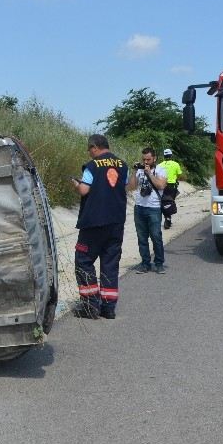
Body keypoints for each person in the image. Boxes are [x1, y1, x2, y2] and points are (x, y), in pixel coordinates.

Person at [70, 134, 128, 319]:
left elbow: (84, 189)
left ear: (94, 147)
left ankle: (90, 306)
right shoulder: (122, 165)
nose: (89, 153)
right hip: (116, 221)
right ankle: (108, 308)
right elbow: (125, 187)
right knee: (110, 263)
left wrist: (76, 184)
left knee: (83, 260)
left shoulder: (92, 166)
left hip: (94, 222)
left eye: (89, 149)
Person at [127, 146, 168, 274]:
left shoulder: (161, 170)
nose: (146, 162)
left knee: (156, 236)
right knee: (142, 237)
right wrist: (134, 171)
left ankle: (159, 263)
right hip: (139, 207)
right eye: (144, 159)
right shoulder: (139, 170)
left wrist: (149, 173)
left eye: (148, 159)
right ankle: (145, 263)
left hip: (154, 208)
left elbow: (161, 185)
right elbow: (131, 187)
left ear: (154, 158)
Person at [158, 148, 187, 229]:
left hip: (162, 186)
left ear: (164, 156)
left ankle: (167, 218)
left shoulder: (160, 165)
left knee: (163, 202)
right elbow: (180, 175)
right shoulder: (175, 164)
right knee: (169, 202)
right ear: (171, 155)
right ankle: (168, 219)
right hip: (172, 186)